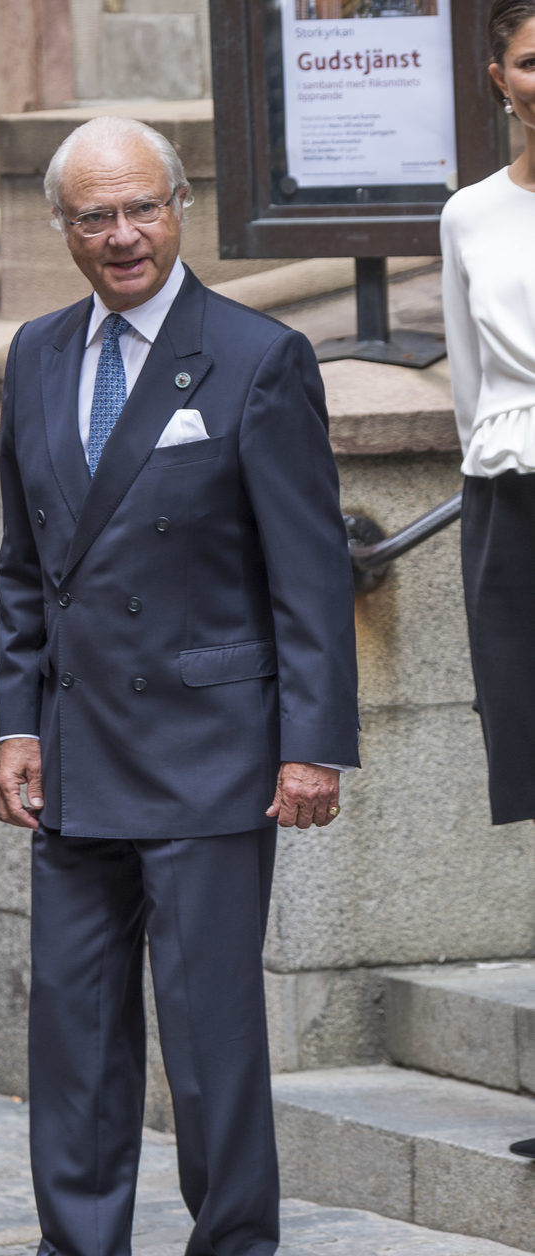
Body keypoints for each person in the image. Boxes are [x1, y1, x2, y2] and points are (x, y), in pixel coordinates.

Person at [0, 116, 359, 1256]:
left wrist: (311, 748)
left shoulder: (256, 357)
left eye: (139, 210)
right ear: (60, 229)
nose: (119, 236)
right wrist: (14, 721)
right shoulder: (28, 356)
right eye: (91, 217)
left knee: (209, 1034)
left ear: (179, 208)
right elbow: (25, 572)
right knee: (70, 1035)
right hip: (74, 754)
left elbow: (308, 573)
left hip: (212, 753)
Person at [440, 0, 535, 1159]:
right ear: (498, 77)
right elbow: (468, 388)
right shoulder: (468, 214)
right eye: (530, 58)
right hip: (513, 503)